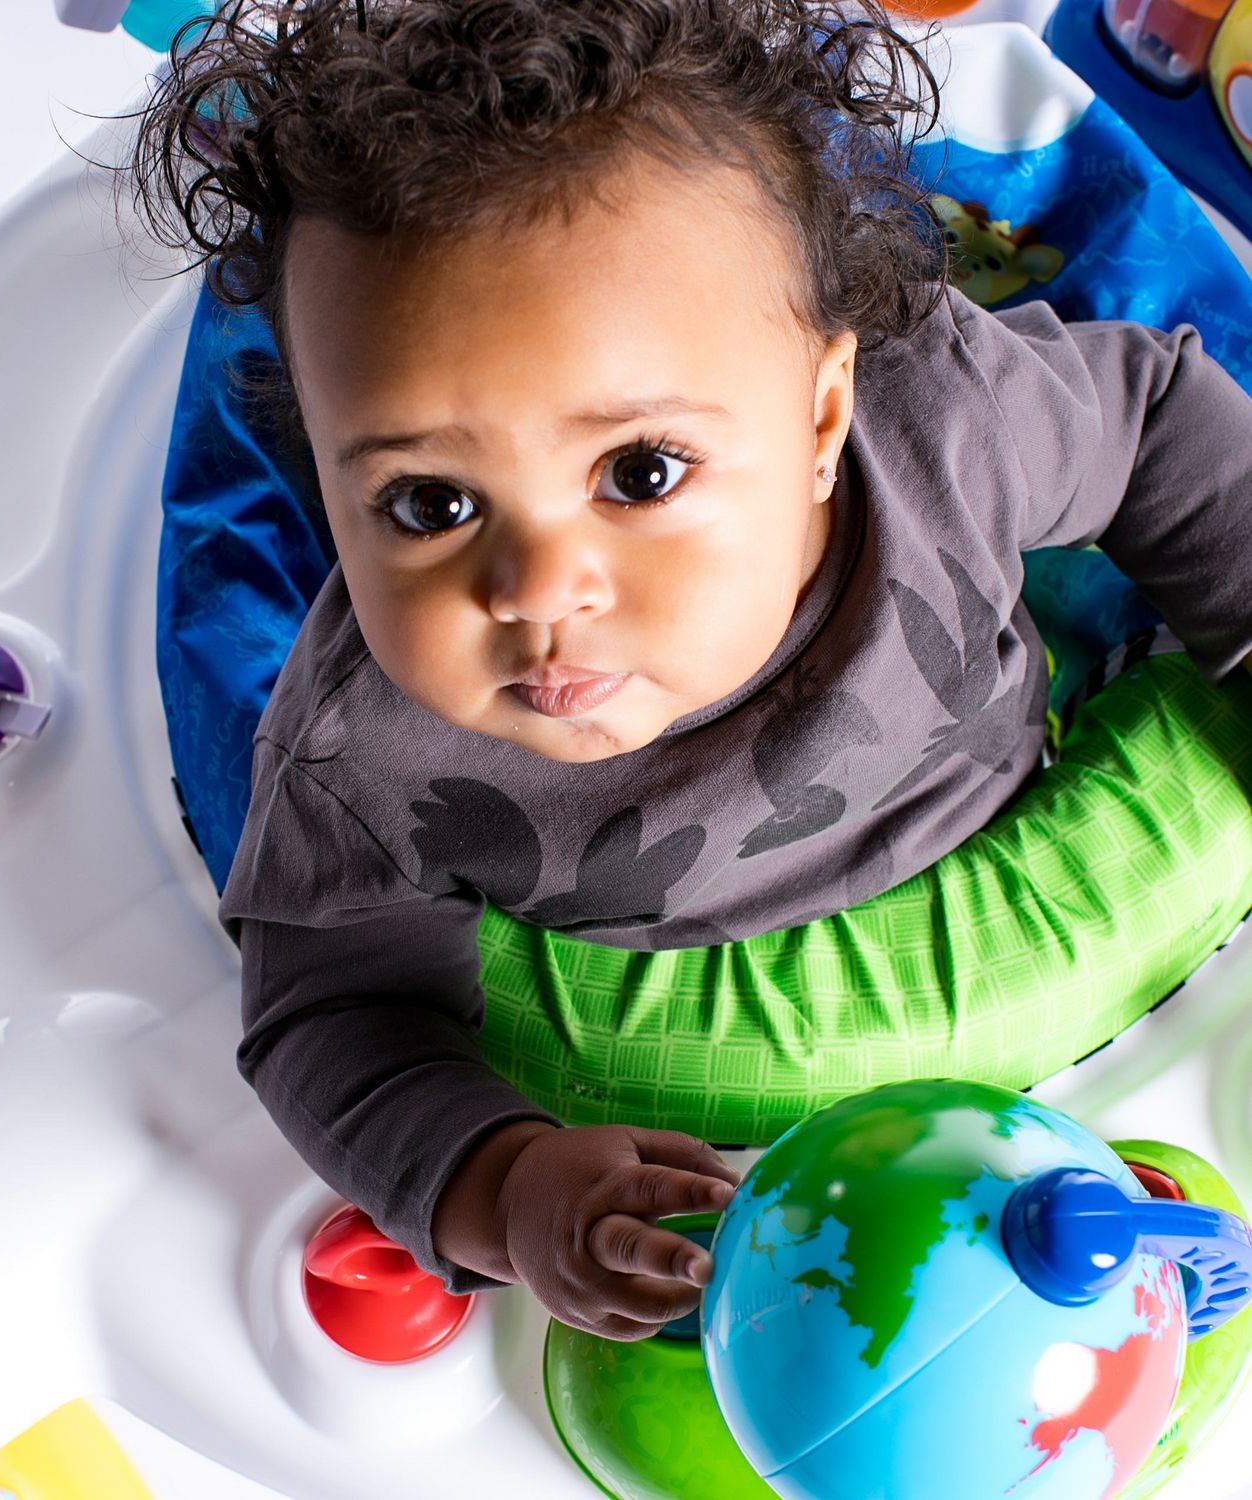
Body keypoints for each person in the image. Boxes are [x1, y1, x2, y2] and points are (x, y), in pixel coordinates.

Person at [129, 0, 1252, 1342]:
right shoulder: (365, 755)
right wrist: (502, 1181)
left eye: (639, 475)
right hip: (708, 1168)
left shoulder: (939, 426)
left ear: (823, 418)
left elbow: (1151, 414)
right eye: (430, 503)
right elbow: (328, 1014)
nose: (540, 591)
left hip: (1062, 870)